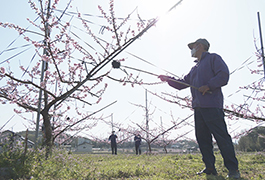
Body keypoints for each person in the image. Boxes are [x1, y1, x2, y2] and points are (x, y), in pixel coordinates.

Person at [158, 38, 240, 179]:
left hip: (212, 105)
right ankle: (210, 168)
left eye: (193, 47)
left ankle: (233, 170)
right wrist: (168, 79)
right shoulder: (194, 68)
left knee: (221, 138)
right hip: (198, 107)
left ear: (200, 46)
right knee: (202, 139)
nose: (191, 50)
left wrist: (209, 85)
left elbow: (223, 75)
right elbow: (183, 83)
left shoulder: (213, 58)